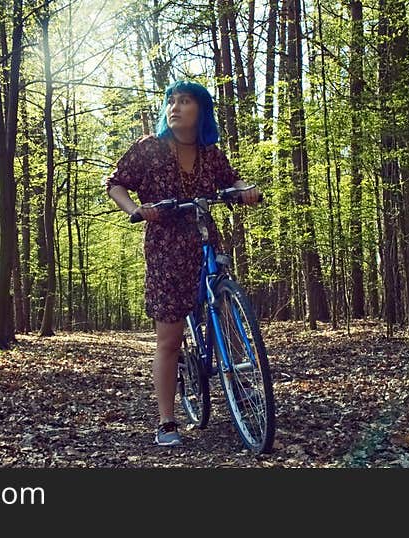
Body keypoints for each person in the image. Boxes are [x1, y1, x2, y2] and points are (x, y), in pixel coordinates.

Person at [105, 80, 261, 447]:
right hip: (166, 249)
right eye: (171, 101)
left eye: (185, 101)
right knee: (170, 339)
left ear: (201, 110)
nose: (175, 107)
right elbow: (115, 184)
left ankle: (240, 388)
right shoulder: (149, 148)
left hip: (205, 239)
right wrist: (136, 210)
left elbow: (231, 180)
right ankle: (166, 421)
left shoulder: (211, 153)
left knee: (225, 313)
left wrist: (245, 189)